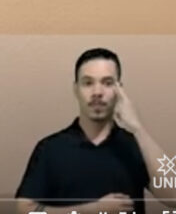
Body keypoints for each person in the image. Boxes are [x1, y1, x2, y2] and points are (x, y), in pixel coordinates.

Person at [15, 48, 176, 214]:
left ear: (120, 90)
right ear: (76, 89)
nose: (97, 92)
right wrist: (93, 209)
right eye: (88, 83)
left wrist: (138, 128)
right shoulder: (50, 148)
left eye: (107, 83)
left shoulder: (135, 145)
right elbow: (24, 210)